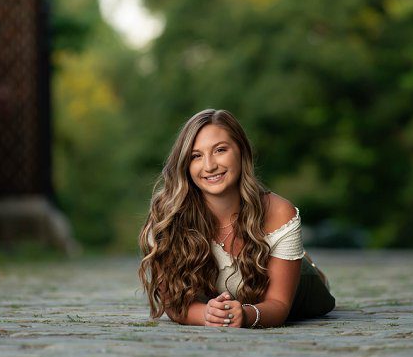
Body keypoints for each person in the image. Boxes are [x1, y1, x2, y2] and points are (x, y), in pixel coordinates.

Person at [138, 109, 334, 329]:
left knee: (310, 287)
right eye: (196, 156)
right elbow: (174, 303)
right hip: (231, 300)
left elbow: (279, 304)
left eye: (220, 150)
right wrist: (207, 314)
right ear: (185, 164)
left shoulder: (279, 213)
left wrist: (247, 315)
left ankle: (308, 265)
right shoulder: (168, 216)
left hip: (302, 289)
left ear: (241, 151)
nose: (209, 165)